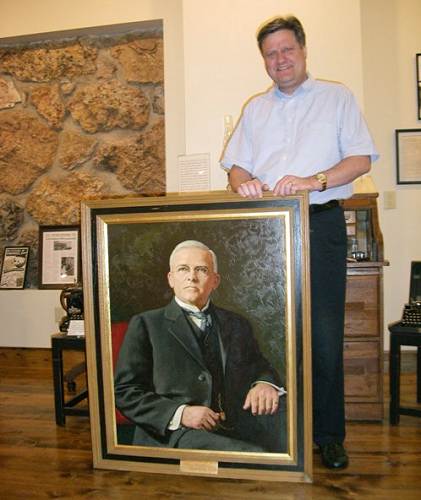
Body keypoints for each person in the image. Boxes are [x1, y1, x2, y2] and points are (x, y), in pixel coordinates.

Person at [221, 16, 378, 469]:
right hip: (266, 232)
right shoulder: (255, 109)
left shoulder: (337, 97)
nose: (279, 60)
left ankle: (328, 436)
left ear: (304, 51)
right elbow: (235, 168)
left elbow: (360, 158)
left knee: (324, 336)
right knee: (268, 332)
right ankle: (276, 431)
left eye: (286, 50)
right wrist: (243, 184)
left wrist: (315, 180)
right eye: (270, 54)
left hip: (320, 225)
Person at [114, 240, 286, 452]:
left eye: (201, 270)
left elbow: (259, 366)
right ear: (171, 278)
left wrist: (264, 383)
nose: (192, 277)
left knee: (283, 442)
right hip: (172, 434)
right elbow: (125, 392)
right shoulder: (146, 324)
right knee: (253, 455)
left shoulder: (237, 323)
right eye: (183, 269)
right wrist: (181, 413)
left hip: (231, 425)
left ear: (215, 280)